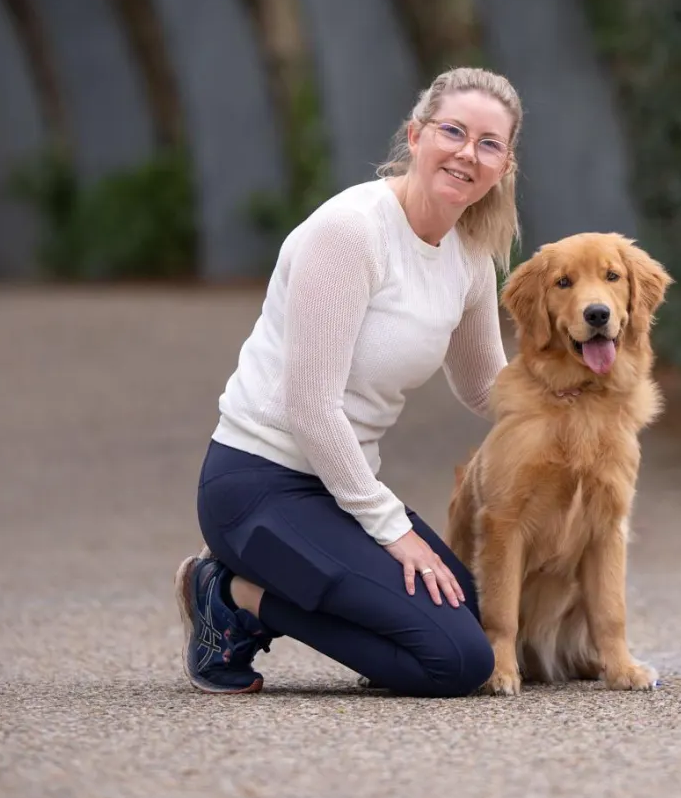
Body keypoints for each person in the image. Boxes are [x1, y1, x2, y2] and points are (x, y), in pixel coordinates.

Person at [175, 66, 522, 698]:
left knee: (466, 614)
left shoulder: (470, 254)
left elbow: (485, 387)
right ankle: (230, 593)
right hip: (259, 486)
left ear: (503, 165)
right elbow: (308, 407)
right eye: (453, 131)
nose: (468, 153)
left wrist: (574, 393)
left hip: (339, 487)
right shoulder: (350, 232)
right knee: (457, 662)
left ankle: (281, 589)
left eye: (489, 143)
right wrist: (391, 529)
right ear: (415, 137)